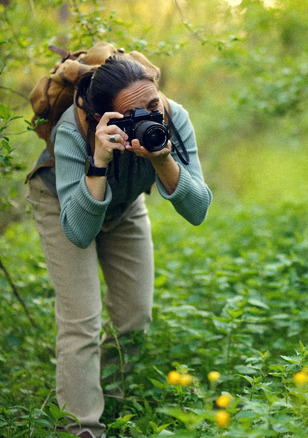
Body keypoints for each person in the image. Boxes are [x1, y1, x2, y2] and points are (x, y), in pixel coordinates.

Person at [26, 55, 212, 438]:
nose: (150, 119)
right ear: (104, 119)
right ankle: (83, 428)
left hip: (124, 205)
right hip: (66, 205)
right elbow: (78, 232)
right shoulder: (71, 132)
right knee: (82, 320)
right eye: (133, 115)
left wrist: (162, 160)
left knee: (134, 315)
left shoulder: (174, 119)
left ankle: (115, 402)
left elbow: (198, 210)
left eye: (153, 106)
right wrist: (98, 161)